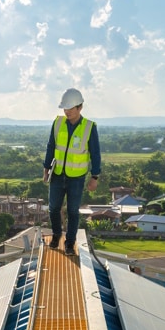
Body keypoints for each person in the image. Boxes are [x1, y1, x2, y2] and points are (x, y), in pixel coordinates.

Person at [42, 87, 101, 255]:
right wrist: (46, 168)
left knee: (73, 211)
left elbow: (95, 153)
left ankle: (70, 243)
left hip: (77, 178)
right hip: (57, 174)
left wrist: (94, 176)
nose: (66, 111)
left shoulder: (89, 127)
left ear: (80, 107)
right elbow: (51, 146)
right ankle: (56, 235)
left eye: (70, 108)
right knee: (53, 208)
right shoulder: (58, 122)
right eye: (64, 108)